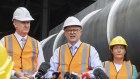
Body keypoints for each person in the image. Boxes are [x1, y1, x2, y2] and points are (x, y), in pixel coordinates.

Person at [1, 7, 45, 79]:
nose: (27, 25)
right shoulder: (4, 41)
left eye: (28, 22)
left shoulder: (36, 43)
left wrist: (33, 77)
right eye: (23, 22)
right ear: (15, 24)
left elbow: (41, 68)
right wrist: (15, 73)